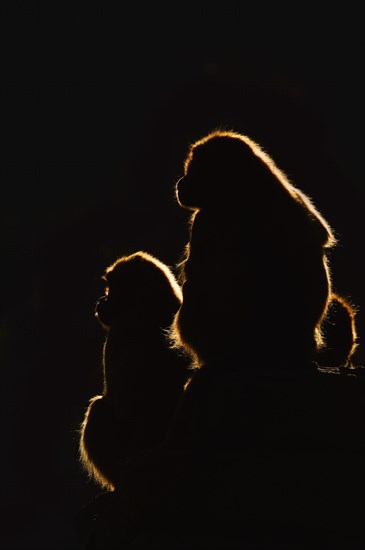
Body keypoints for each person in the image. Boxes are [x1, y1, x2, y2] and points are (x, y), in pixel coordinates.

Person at [124, 130, 364, 549]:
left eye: (192, 174)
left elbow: (205, 287)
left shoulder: (216, 220)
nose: (182, 186)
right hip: (290, 344)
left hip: (238, 346)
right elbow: (323, 235)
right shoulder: (287, 209)